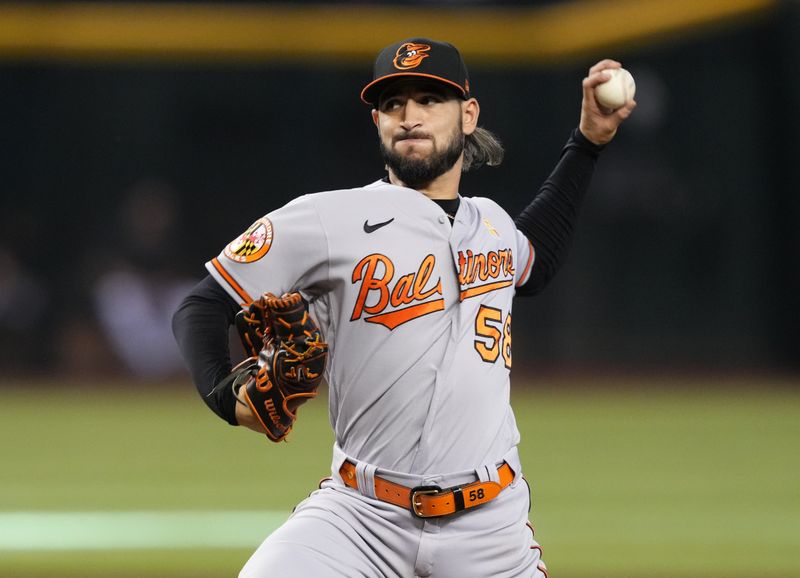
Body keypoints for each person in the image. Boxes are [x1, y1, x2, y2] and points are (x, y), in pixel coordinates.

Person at [173, 37, 635, 578]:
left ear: (467, 115)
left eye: (429, 100)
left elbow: (538, 257)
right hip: (359, 517)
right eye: (393, 104)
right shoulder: (327, 219)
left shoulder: (492, 225)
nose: (410, 116)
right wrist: (224, 396)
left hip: (489, 527)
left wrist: (588, 142)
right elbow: (202, 304)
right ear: (377, 122)